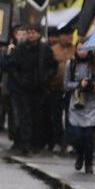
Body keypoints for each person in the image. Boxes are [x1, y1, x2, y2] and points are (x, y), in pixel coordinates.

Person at [6, 24, 57, 154]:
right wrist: (20, 79)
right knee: (25, 116)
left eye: (33, 32)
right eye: (29, 32)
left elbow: (52, 66)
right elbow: (13, 66)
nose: (31, 35)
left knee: (37, 116)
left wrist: (46, 79)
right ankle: (25, 143)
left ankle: (36, 142)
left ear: (39, 34)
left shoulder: (45, 49)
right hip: (24, 87)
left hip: (40, 87)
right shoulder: (21, 48)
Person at [64, 41, 95, 174]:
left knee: (89, 136)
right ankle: (79, 155)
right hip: (77, 102)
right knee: (78, 135)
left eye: (85, 49)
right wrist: (79, 85)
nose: (82, 52)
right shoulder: (71, 64)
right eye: (79, 49)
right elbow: (66, 84)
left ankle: (89, 162)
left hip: (92, 104)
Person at [47, 29, 75, 152]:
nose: (70, 36)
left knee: (70, 116)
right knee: (56, 116)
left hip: (71, 89)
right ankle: (57, 141)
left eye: (71, 34)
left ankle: (69, 142)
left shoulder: (75, 49)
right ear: (61, 36)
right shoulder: (53, 50)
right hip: (55, 88)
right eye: (67, 34)